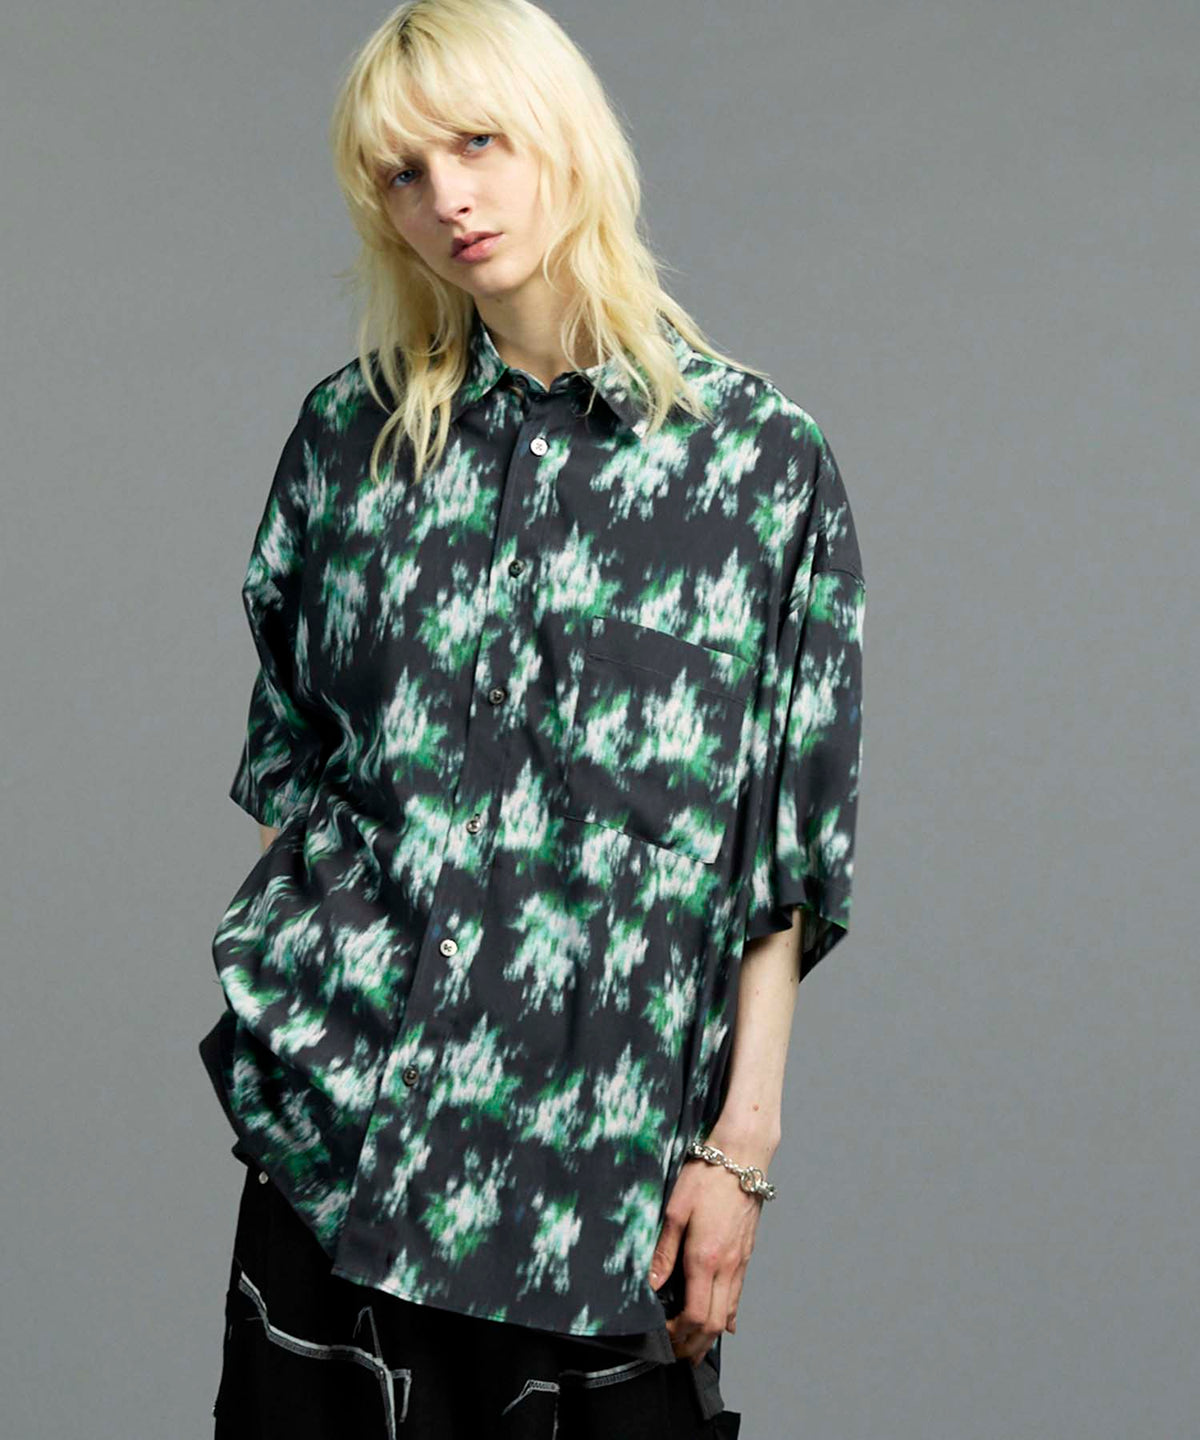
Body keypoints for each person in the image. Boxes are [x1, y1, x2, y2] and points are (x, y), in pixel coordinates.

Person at [200, 1, 866, 1435]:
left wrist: (738, 1152)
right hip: (346, 1152)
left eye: (479, 143)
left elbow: (784, 853)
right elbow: (292, 761)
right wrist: (314, 1005)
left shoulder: (761, 468)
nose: (447, 197)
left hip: (601, 1173)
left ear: (564, 135)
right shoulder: (349, 441)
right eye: (402, 172)